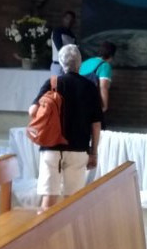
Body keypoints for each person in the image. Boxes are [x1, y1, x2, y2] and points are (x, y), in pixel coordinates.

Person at [29, 44, 103, 209]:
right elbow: (96, 124)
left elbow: (32, 110)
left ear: (62, 64)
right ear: (80, 63)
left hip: (51, 146)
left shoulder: (53, 83)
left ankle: (44, 226)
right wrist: (94, 152)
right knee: (73, 201)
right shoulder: (90, 87)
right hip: (78, 148)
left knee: (49, 198)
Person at [80, 40, 116, 112]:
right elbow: (103, 87)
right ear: (111, 55)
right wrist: (105, 106)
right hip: (90, 101)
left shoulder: (86, 62)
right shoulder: (105, 65)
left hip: (77, 98)